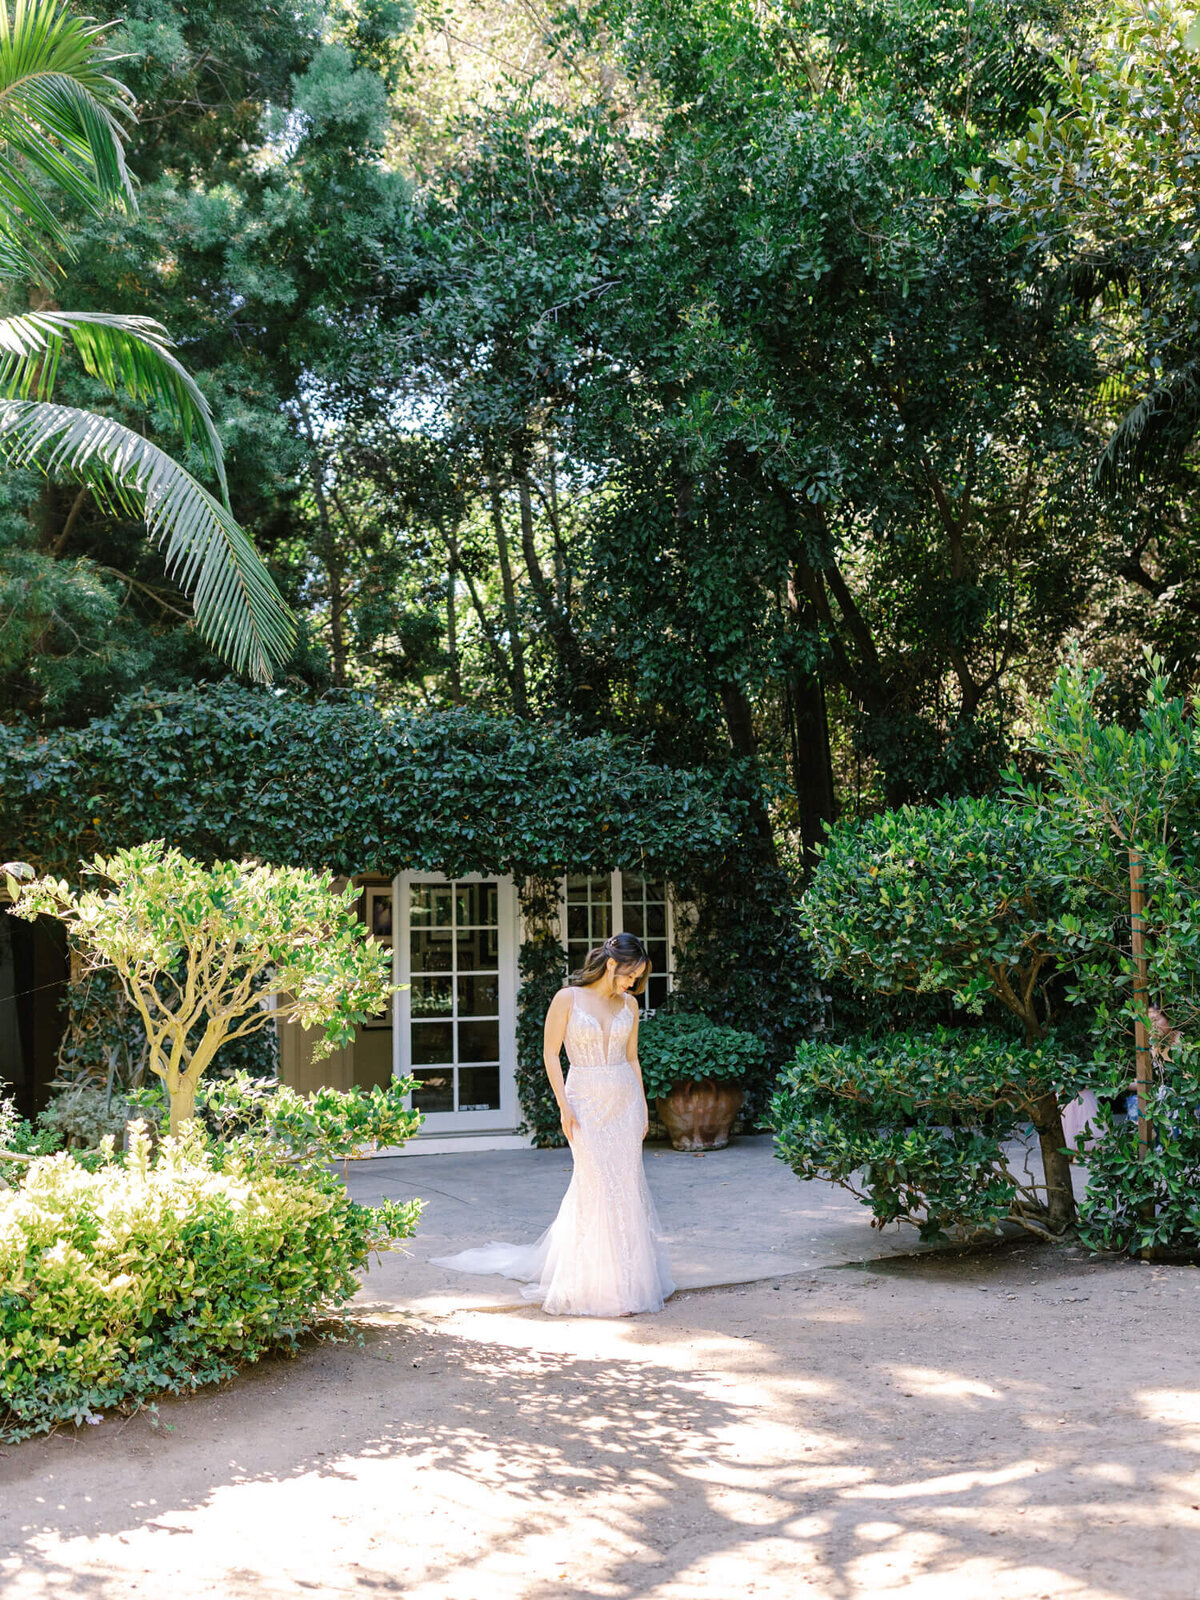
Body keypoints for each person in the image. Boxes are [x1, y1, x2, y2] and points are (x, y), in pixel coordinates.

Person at [430, 931, 675, 1317]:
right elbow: (550, 1052)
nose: (633, 984)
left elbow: (632, 1060)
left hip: (624, 1102)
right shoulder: (567, 998)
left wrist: (643, 1107)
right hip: (585, 1099)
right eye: (631, 975)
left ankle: (628, 1280)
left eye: (637, 978)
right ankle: (594, 1283)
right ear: (612, 964)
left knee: (625, 1184)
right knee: (594, 1183)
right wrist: (564, 1106)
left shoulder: (628, 1005)